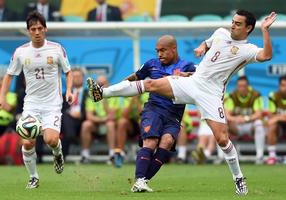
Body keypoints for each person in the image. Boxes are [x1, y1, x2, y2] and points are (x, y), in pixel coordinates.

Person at [87, 10, 277, 195]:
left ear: (248, 28)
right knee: (150, 84)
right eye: (233, 21)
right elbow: (208, 42)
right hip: (192, 82)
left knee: (222, 139)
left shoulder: (248, 50)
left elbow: (266, 56)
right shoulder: (220, 32)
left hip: (211, 94)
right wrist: (203, 47)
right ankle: (102, 93)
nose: (232, 25)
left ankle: (238, 178)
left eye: (238, 23)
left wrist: (265, 30)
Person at [95, 35, 196, 192]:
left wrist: (189, 76)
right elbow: (135, 78)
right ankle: (140, 180)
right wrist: (115, 88)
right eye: (157, 51)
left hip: (174, 114)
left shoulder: (187, 66)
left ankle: (141, 181)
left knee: (167, 142)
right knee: (151, 141)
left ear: (174, 49)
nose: (159, 54)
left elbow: (200, 80)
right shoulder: (151, 64)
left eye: (163, 50)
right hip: (154, 109)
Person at [0, 11, 73, 189]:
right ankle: (33, 177)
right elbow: (9, 75)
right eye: (33, 29)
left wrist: (68, 90)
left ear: (45, 29)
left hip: (53, 103)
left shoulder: (56, 48)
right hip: (32, 104)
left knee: (51, 140)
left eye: (39, 28)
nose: (37, 32)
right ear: (28, 31)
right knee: (28, 141)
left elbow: (68, 72)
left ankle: (57, 153)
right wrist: (1, 98)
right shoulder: (21, 52)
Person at [224, 76, 265, 164]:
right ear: (237, 86)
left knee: (259, 123)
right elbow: (227, 115)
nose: (242, 88)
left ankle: (260, 156)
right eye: (239, 86)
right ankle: (222, 157)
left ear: (248, 86)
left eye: (244, 86)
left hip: (250, 125)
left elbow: (259, 114)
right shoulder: (232, 95)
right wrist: (236, 118)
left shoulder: (256, 95)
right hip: (236, 126)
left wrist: (246, 118)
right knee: (222, 124)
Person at [80, 75, 119, 164]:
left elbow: (112, 116)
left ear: (108, 84)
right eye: (99, 84)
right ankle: (85, 155)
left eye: (103, 84)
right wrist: (102, 119)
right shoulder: (91, 97)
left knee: (110, 124)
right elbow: (89, 116)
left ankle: (112, 155)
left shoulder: (113, 96)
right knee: (86, 124)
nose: (100, 86)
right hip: (97, 124)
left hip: (108, 124)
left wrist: (104, 98)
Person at [114, 94, 149, 167]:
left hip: (144, 123)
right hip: (131, 125)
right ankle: (120, 153)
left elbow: (143, 114)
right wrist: (132, 100)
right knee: (122, 122)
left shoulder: (146, 95)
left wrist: (137, 101)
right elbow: (124, 115)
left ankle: (146, 153)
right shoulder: (124, 96)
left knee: (142, 121)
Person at [61, 68, 88, 157]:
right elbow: (61, 110)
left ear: (83, 78)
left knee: (66, 123)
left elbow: (91, 109)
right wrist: (70, 113)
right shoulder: (65, 94)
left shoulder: (88, 94)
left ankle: (71, 138)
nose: (77, 78)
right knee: (65, 116)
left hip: (83, 120)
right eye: (74, 77)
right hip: (68, 120)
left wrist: (81, 115)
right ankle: (71, 137)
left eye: (79, 76)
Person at [266, 75, 286, 165]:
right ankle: (272, 156)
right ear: (279, 86)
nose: (284, 88)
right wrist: (278, 118)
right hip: (280, 127)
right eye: (282, 85)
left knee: (273, 121)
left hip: (280, 121)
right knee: (272, 125)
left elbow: (274, 117)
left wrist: (278, 117)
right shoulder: (273, 96)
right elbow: (270, 116)